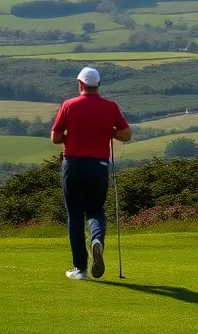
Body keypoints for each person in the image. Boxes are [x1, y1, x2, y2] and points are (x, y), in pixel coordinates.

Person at [50, 66, 131, 281]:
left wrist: (69, 136)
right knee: (95, 209)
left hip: (73, 165)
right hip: (99, 166)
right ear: (98, 85)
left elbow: (55, 137)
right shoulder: (110, 106)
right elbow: (126, 134)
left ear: (80, 84)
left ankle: (80, 269)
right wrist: (110, 132)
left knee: (75, 215)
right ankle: (97, 240)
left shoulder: (69, 105)